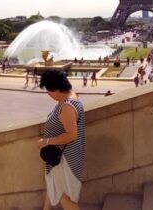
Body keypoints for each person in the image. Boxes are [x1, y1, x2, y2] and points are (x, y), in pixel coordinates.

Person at [38, 70, 86, 210]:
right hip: (66, 156)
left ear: (56, 89)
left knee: (63, 196)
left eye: (48, 90)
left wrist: (46, 142)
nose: (48, 94)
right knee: (54, 186)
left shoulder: (66, 106)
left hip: (64, 159)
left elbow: (71, 135)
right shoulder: (72, 96)